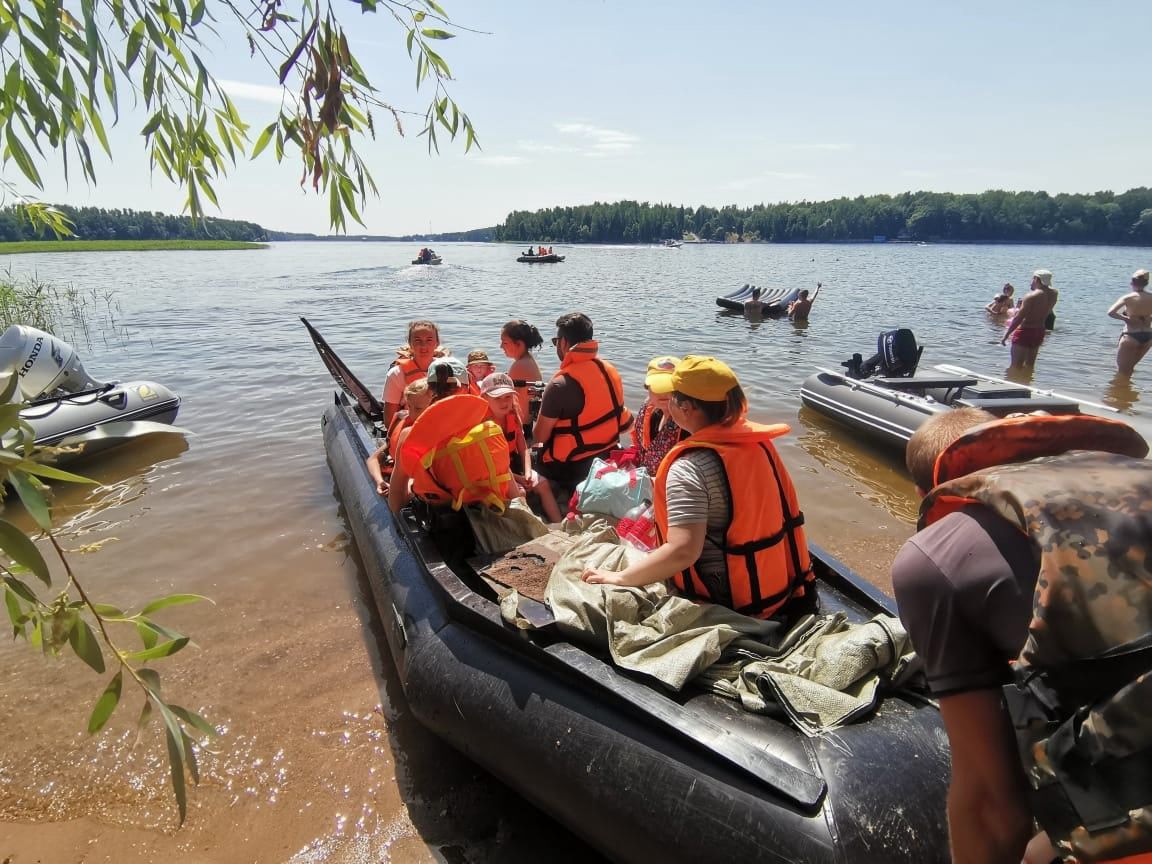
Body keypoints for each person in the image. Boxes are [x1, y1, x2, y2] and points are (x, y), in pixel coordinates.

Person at [891, 408, 1152, 864]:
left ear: (923, 494)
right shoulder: (1133, 477)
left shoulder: (937, 554)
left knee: (1041, 848)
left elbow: (994, 810)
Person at [583, 356, 815, 622]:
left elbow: (683, 552)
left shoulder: (689, 469)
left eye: (673, 398)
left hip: (731, 599)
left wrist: (620, 578)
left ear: (686, 408)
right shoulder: (759, 443)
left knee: (612, 559)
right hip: (781, 583)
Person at [388, 356, 515, 514]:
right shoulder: (486, 427)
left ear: (429, 390)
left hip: (442, 521)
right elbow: (512, 490)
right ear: (467, 388)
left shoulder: (409, 435)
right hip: (492, 510)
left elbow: (396, 500)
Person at [533, 312, 633, 502]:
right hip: (607, 452)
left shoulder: (559, 384)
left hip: (572, 467)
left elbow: (540, 436)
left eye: (556, 342)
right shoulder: (609, 369)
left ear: (563, 343)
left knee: (529, 452)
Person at [480, 372, 562, 522]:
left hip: (514, 465)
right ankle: (532, 526)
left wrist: (528, 473)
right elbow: (493, 465)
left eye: (508, 397)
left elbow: (523, 448)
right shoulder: (483, 426)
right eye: (497, 398)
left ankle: (558, 524)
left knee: (542, 484)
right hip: (497, 471)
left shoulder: (513, 416)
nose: (504, 402)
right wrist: (519, 478)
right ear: (485, 398)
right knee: (521, 493)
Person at [366, 379, 432, 495]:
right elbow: (373, 459)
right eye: (409, 407)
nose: (411, 413)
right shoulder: (402, 423)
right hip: (396, 480)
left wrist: (402, 490)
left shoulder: (436, 434)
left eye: (418, 408)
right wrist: (379, 481)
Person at [631, 355, 690, 474]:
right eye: (657, 386)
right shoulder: (651, 412)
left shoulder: (688, 425)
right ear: (648, 388)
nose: (662, 392)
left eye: (668, 386)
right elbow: (639, 448)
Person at [382, 320, 447, 425]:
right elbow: (389, 420)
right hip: (412, 429)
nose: (423, 346)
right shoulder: (396, 374)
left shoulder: (448, 369)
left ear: (437, 343)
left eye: (429, 340)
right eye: (417, 341)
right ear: (410, 343)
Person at [1001, 269, 1058, 367]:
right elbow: (1047, 311)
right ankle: (1025, 382)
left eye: (1032, 278)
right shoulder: (1054, 293)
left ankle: (1013, 380)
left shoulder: (1031, 296)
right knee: (1030, 366)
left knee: (1016, 366)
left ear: (1036, 279)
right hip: (1039, 331)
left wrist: (1006, 335)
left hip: (1025, 331)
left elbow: (1019, 318)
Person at [1107, 268, 1152, 375]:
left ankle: (1120, 390)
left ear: (1132, 282)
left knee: (1121, 371)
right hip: (1148, 336)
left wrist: (1126, 319)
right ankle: (1127, 390)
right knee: (1130, 368)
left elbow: (1111, 312)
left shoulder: (1128, 298)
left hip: (1131, 336)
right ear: (1146, 283)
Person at [499, 319, 545, 420]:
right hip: (527, 423)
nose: (501, 346)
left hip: (520, 426)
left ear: (519, 344)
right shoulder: (528, 360)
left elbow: (504, 401)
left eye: (505, 343)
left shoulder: (520, 366)